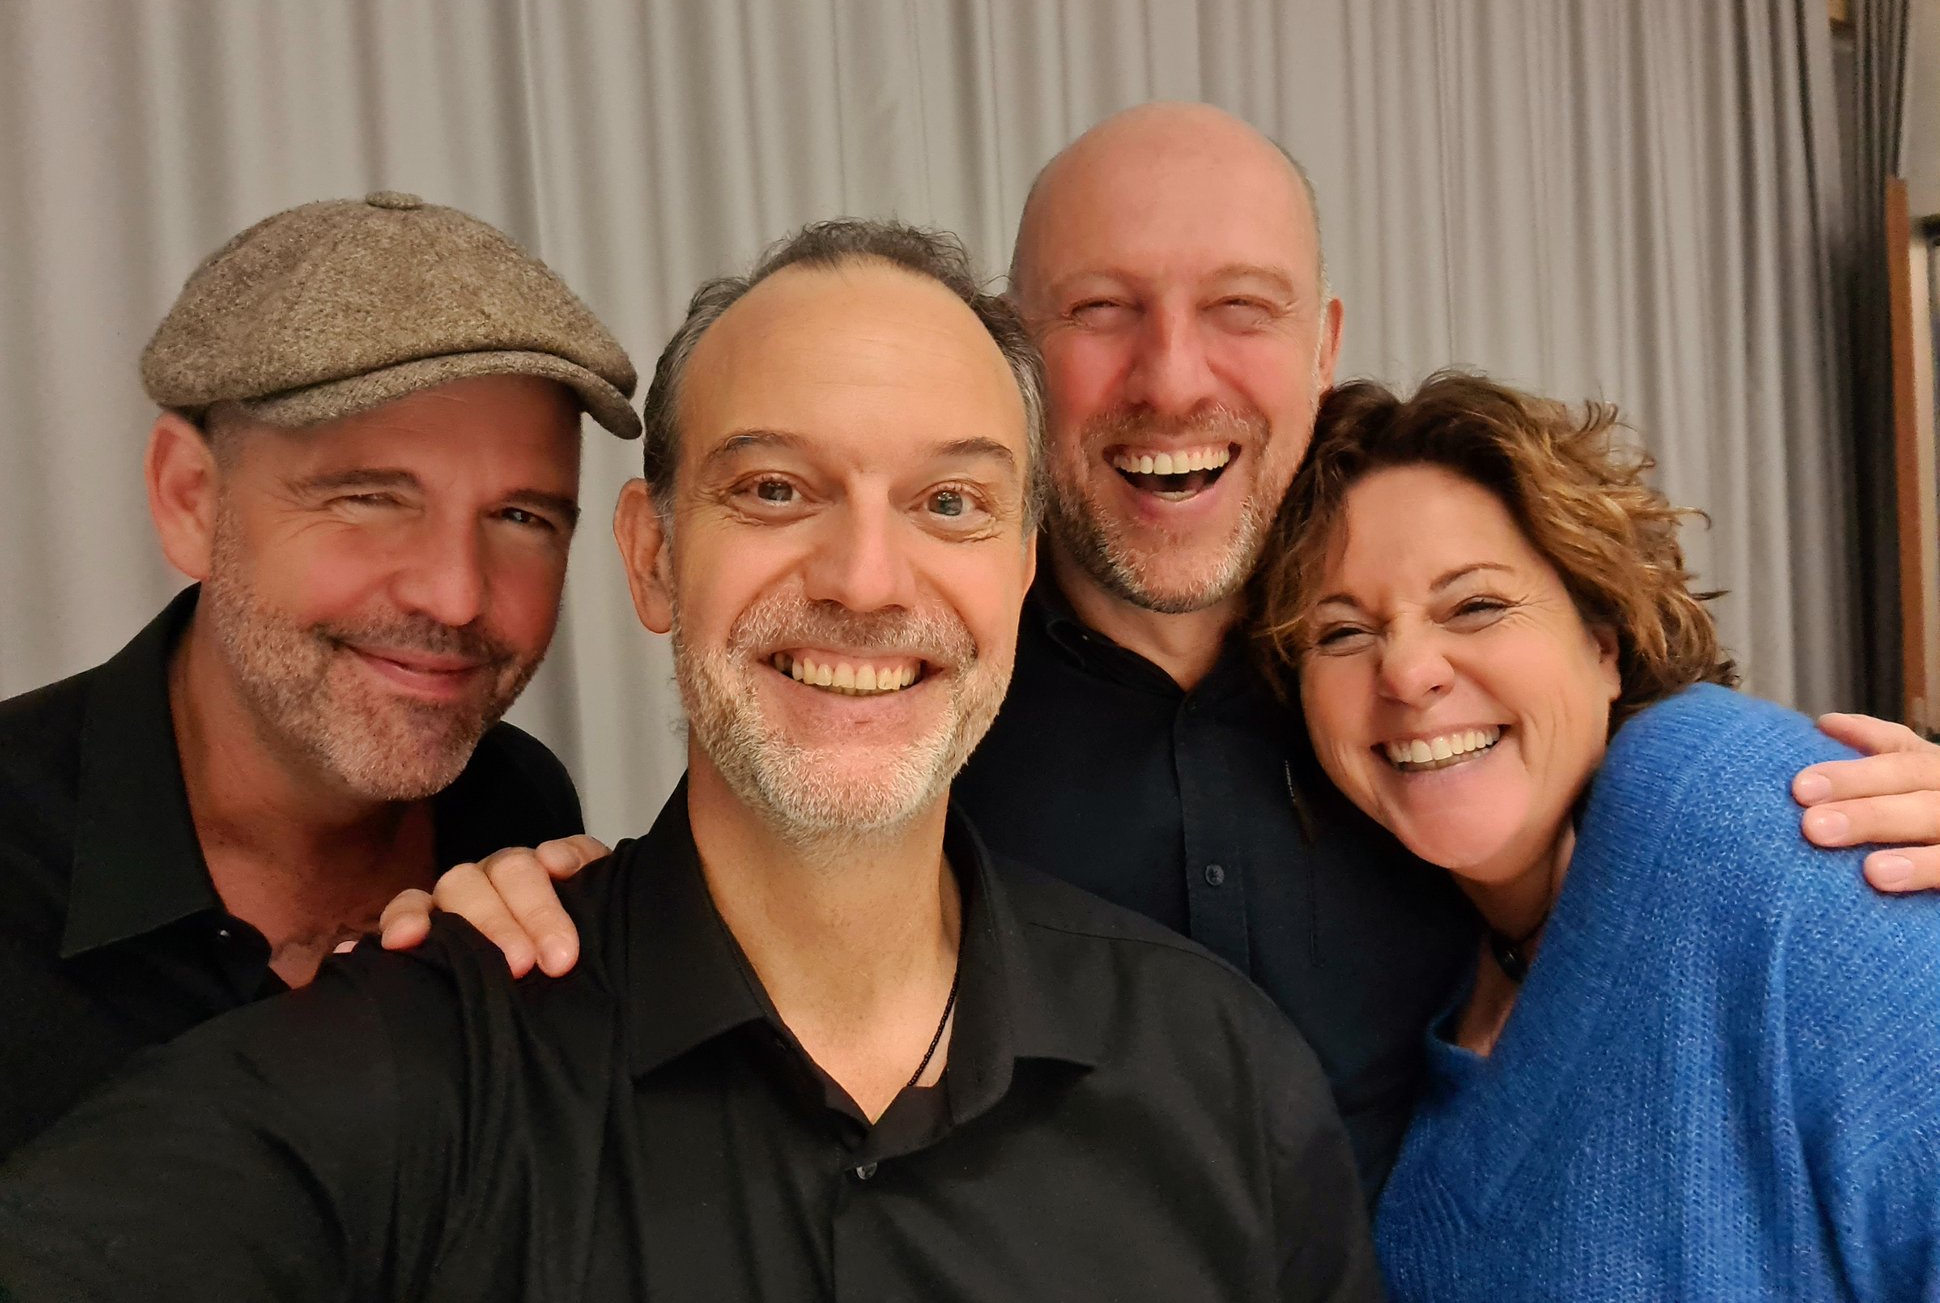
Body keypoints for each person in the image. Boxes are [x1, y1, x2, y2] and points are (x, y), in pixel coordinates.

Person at [402, 102, 1940, 1194]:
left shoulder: (1434, 698)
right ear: (1015, 356)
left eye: (1241, 309)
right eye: (1103, 310)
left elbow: (1730, 866)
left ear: (1323, 346)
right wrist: (533, 891)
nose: (1173, 377)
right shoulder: (903, 681)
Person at [0, 220, 1381, 1303]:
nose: (864, 577)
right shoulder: (411, 1065)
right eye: (773, 488)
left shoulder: (1224, 1077)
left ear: (1022, 565)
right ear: (654, 555)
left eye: (951, 500)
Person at [1258, 372, 1940, 1299]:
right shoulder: (1394, 976)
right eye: (1341, 633)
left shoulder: (1737, 811)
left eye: (1475, 605)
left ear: (1604, 643)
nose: (1408, 672)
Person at [0, 191, 633, 1159]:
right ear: (190, 500)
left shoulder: (514, 804)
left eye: (521, 517)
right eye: (370, 499)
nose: (456, 597)